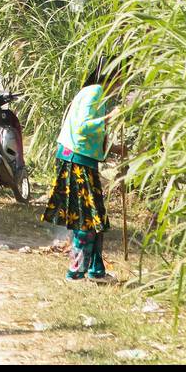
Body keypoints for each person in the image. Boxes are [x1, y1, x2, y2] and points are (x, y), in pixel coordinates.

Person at [42, 62, 124, 282]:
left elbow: (91, 135)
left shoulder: (97, 94)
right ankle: (75, 272)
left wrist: (113, 149)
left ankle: (96, 271)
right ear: (112, 75)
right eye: (121, 78)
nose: (122, 84)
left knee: (96, 218)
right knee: (86, 220)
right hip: (75, 160)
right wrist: (110, 117)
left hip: (83, 159)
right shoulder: (95, 91)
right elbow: (82, 127)